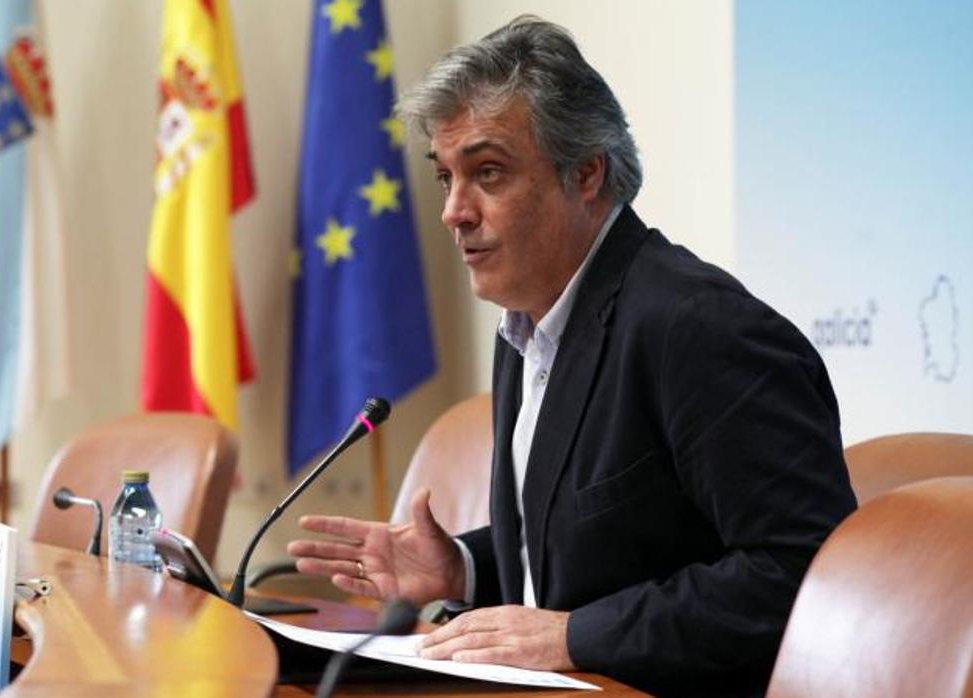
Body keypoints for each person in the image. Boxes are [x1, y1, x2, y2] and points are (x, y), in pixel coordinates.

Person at [286, 16, 857, 698]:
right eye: (446, 178)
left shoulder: (698, 327)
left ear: (585, 173)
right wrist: (463, 567)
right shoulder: (531, 320)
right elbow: (616, 546)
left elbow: (799, 572)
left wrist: (570, 637)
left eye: (487, 172)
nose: (454, 212)